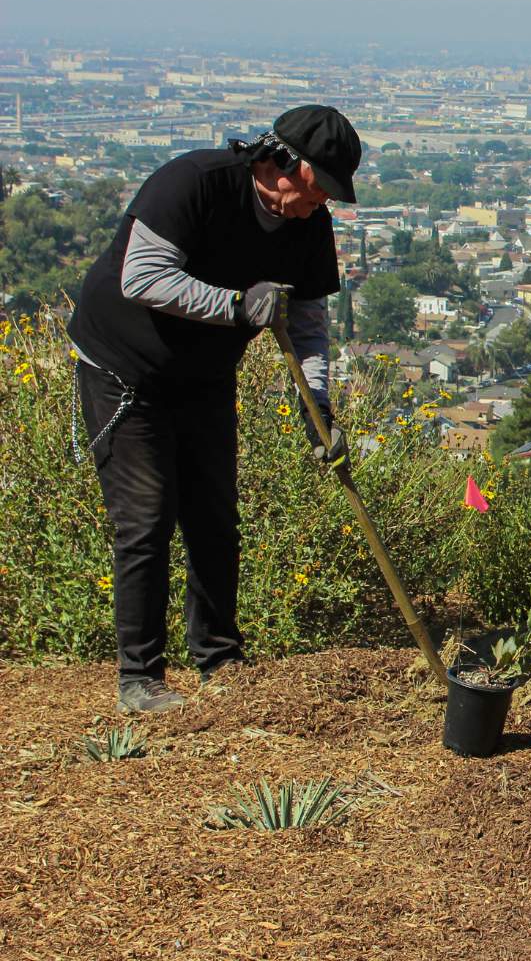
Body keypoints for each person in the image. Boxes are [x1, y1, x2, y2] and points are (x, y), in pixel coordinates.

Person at [68, 106, 357, 714]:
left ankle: (220, 659)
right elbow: (142, 277)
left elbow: (305, 324)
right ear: (282, 164)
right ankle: (139, 676)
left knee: (214, 518)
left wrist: (318, 406)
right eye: (317, 189)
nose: (319, 205)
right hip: (125, 371)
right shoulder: (192, 183)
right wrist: (235, 304)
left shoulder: (307, 226)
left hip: (203, 378)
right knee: (146, 520)